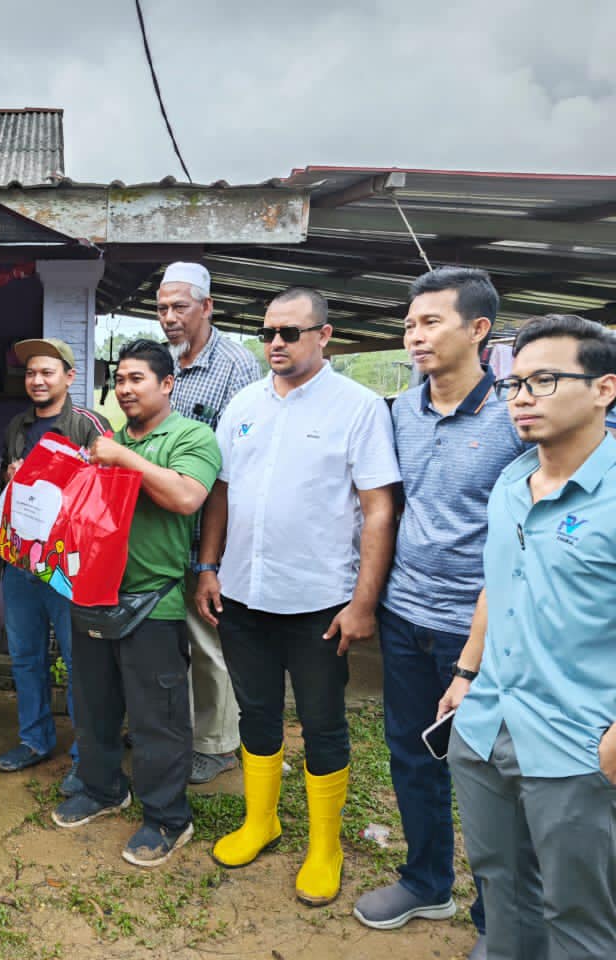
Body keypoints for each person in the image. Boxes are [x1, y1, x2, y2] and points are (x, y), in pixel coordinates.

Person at [197, 287, 400, 906]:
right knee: (256, 713)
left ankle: (326, 844)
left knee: (321, 722)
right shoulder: (244, 403)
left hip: (319, 601)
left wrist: (363, 603)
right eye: (268, 333)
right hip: (244, 595)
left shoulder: (359, 408)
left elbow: (378, 507)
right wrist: (209, 565)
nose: (277, 343)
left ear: (324, 335)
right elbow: (222, 493)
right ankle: (262, 819)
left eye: (290, 332)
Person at [352, 269, 521, 953]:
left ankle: (497, 918)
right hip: (405, 617)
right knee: (410, 755)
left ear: (478, 330)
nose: (415, 336)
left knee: (487, 774)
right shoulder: (400, 412)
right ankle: (426, 880)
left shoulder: (516, 420)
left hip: (482, 630)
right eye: (410, 324)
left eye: (431, 323)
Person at [443, 314, 616, 960]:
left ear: (605, 389)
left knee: (579, 911)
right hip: (489, 726)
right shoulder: (513, 483)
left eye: (544, 380)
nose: (520, 397)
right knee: (500, 886)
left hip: (578, 744)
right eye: (514, 383)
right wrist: (465, 674)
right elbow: (498, 582)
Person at [51, 339, 220, 868]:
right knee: (96, 706)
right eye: (119, 380)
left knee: (157, 718)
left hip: (156, 602)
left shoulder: (190, 436)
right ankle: (103, 789)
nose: (124, 389)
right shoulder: (104, 442)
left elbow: (187, 497)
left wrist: (122, 458)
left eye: (136, 379)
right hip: (93, 595)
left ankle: (168, 817)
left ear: (167, 384)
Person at [157, 261, 261, 785]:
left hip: (208, 532)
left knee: (208, 640)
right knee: (175, 636)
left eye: (180, 307)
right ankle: (186, 728)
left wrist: (211, 560)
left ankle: (219, 744)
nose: (170, 317)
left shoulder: (237, 365)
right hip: (166, 530)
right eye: (162, 308)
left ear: (207, 307)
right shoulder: (169, 361)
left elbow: (233, 471)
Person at [0, 338, 110, 793]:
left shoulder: (88, 425)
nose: (37, 381)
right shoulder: (17, 425)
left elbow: (106, 493)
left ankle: (86, 756)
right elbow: (9, 485)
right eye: (30, 374)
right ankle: (35, 739)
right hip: (22, 561)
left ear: (70, 377)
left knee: (81, 662)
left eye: (47, 372)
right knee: (25, 657)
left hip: (69, 567)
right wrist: (9, 477)